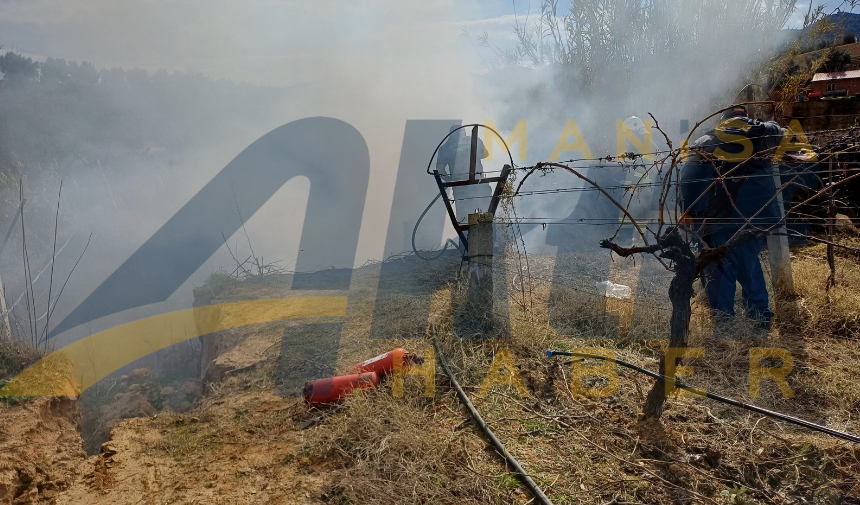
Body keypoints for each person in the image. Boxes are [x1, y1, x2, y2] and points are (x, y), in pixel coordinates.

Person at [700, 106, 784, 330]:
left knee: (719, 264)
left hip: (723, 213)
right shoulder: (765, 132)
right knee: (749, 261)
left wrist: (690, 211)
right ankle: (759, 316)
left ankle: (725, 319)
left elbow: (692, 177)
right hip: (759, 213)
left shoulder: (707, 140)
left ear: (723, 121)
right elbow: (782, 133)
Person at [435, 125, 492, 227]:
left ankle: (468, 234)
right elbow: (485, 155)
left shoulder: (445, 148)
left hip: (460, 187)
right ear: (464, 132)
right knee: (487, 213)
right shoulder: (475, 140)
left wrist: (449, 180)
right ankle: (490, 234)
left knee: (465, 218)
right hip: (479, 183)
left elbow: (440, 170)